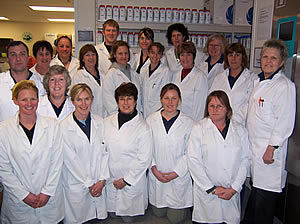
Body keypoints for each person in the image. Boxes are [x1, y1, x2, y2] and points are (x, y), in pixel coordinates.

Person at [244, 39, 296, 224]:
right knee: (256, 193)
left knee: (264, 201)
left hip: (268, 152)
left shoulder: (284, 86)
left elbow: (284, 122)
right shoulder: (259, 81)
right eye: (265, 56)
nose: (268, 61)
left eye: (273, 58)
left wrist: (271, 148)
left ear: (282, 61)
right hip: (254, 148)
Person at [0, 80, 64, 223]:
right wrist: (23, 195)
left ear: (38, 100)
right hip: (18, 204)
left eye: (33, 99)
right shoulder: (3, 130)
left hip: (49, 202)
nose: (29, 103)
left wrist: (47, 192)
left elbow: (57, 163)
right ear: (15, 101)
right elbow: (3, 169)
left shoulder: (53, 126)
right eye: (24, 99)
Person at [187, 90, 250, 224]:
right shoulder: (199, 128)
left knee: (228, 219)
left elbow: (245, 160)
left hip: (230, 191)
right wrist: (211, 188)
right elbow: (193, 161)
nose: (215, 109)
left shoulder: (240, 130)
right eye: (211, 106)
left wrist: (234, 188)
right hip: (206, 192)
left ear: (227, 108)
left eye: (219, 106)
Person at [61, 83, 109, 223]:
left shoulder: (100, 122)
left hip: (98, 184)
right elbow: (71, 161)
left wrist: (102, 180)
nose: (83, 103)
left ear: (92, 99)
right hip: (78, 185)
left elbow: (106, 153)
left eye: (87, 99)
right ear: (72, 101)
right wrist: (89, 183)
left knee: (97, 219)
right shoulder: (64, 127)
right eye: (79, 99)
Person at [104, 82, 152, 223]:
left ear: (136, 101)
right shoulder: (107, 122)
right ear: (117, 101)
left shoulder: (143, 127)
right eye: (122, 99)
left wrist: (126, 180)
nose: (126, 103)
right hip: (110, 180)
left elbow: (144, 159)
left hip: (131, 182)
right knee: (112, 215)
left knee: (127, 219)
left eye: (129, 98)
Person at [146, 83, 193, 224]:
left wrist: (176, 173)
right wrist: (154, 169)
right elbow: (146, 149)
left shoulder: (189, 123)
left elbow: (190, 153)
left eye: (174, 98)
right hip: (157, 174)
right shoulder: (150, 120)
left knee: (175, 219)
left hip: (178, 177)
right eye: (166, 98)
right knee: (158, 213)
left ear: (179, 100)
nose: (170, 102)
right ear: (161, 99)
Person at [210, 42, 256, 125]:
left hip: (241, 124)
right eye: (230, 55)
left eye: (237, 55)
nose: (233, 59)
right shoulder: (219, 77)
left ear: (243, 57)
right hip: (219, 123)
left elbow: (250, 104)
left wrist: (233, 119)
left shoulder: (252, 79)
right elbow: (212, 100)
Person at [0, 40, 44, 122]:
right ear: (7, 59)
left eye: (22, 54)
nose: (18, 58)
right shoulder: (1, 82)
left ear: (28, 57)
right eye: (13, 55)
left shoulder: (40, 84)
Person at [172, 41, 208, 122]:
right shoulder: (175, 75)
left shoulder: (200, 77)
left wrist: (195, 126)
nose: (185, 58)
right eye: (182, 55)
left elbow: (200, 107)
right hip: (176, 120)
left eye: (188, 54)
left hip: (192, 122)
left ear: (193, 56)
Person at [103, 40, 140, 116]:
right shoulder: (111, 74)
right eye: (120, 54)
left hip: (135, 114)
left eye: (126, 53)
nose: (124, 56)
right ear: (114, 55)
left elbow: (139, 97)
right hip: (119, 116)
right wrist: (119, 115)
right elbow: (108, 100)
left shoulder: (133, 73)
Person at [72, 44, 106, 117]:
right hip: (88, 115)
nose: (91, 57)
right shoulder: (78, 76)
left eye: (93, 54)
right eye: (87, 55)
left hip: (105, 115)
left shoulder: (104, 74)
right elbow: (76, 99)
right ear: (82, 59)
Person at [140, 42, 171, 118]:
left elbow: (166, 93)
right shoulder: (143, 70)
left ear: (161, 55)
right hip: (144, 110)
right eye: (152, 53)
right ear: (148, 53)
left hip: (158, 111)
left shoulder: (165, 71)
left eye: (158, 53)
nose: (155, 56)